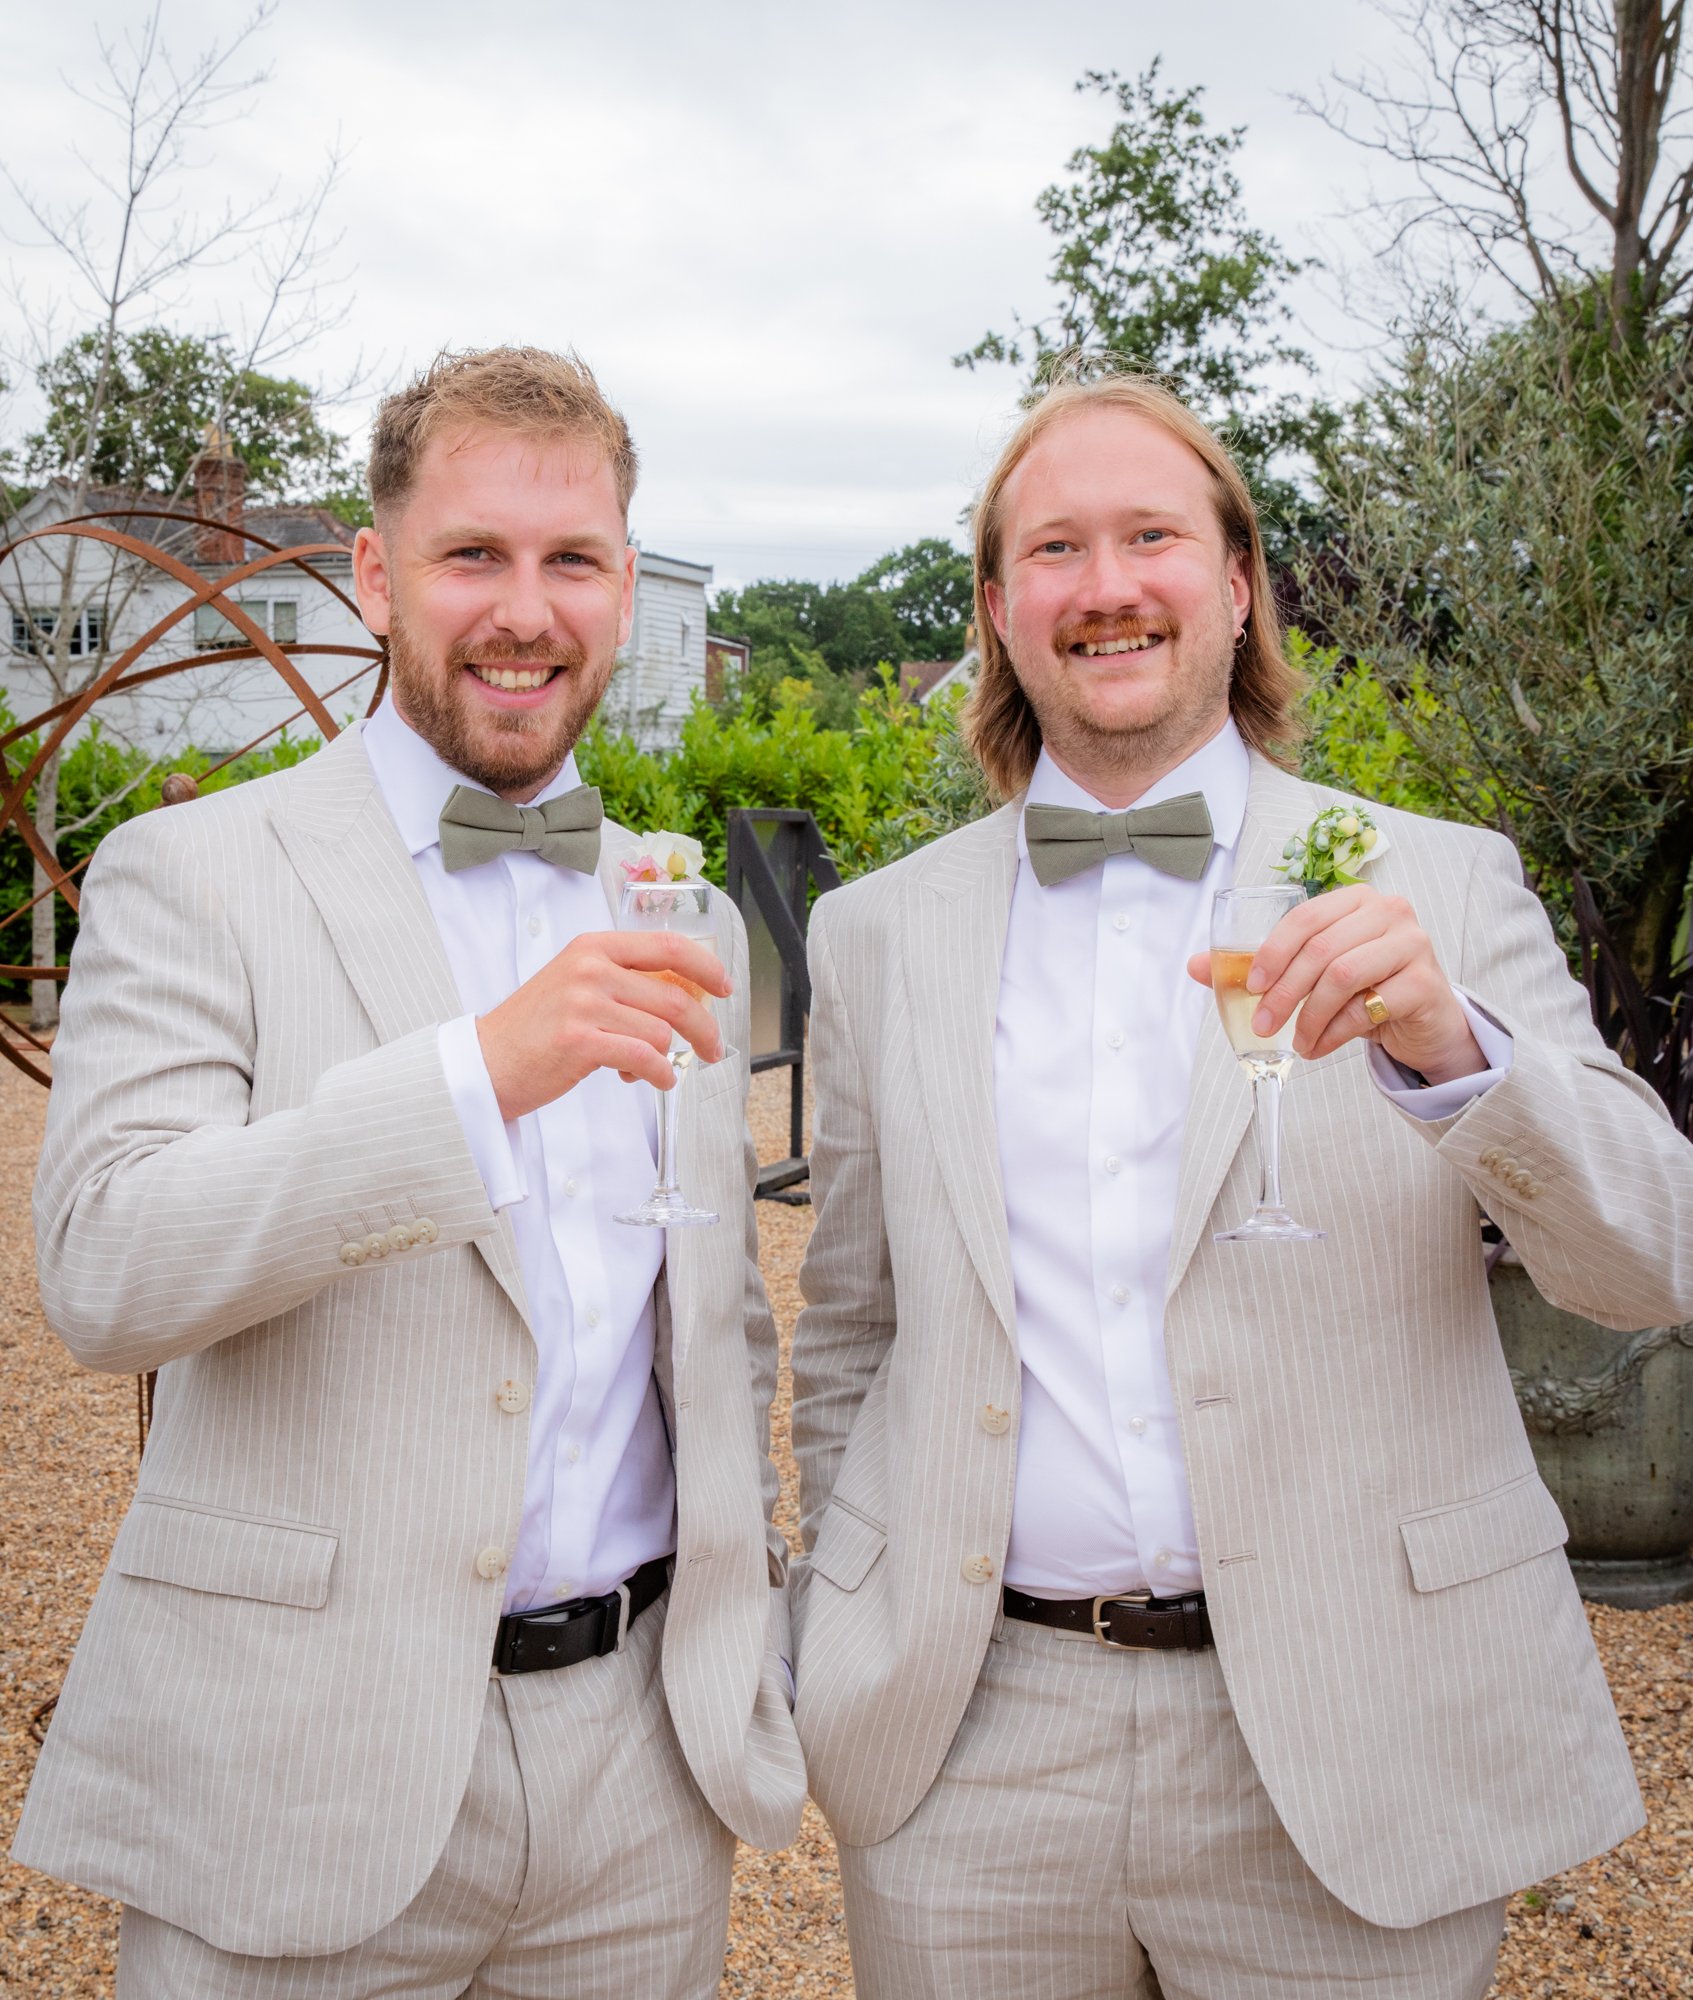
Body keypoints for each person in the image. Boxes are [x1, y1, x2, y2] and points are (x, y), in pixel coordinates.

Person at [788, 371, 1693, 2000]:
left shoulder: (1440, 884)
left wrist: (1453, 1049)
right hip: (969, 1749)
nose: (1106, 584)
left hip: (1359, 1724)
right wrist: (845, 1632)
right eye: (1053, 548)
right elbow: (851, 1327)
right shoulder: (873, 935)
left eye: (1151, 536)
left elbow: (1649, 1262)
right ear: (995, 608)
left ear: (1235, 580)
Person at [14, 345, 803, 1997]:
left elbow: (715, 1325)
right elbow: (107, 1270)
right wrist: (473, 1077)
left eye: (571, 560)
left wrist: (745, 1657)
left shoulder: (679, 915)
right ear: (376, 578)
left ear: (621, 587)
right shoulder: (193, 871)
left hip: (642, 1785)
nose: (524, 610)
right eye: (472, 556)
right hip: (298, 1760)